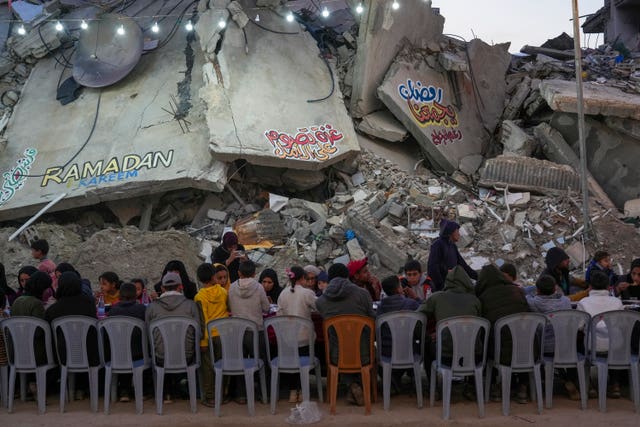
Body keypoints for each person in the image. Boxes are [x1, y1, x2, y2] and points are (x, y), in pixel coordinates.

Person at [315, 263, 375, 407]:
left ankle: (351, 385)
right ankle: (360, 385)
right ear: (347, 276)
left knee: (340, 343)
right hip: (364, 353)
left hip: (337, 355)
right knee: (364, 345)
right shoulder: (363, 294)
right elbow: (372, 319)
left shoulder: (321, 301)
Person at [417, 266, 481, 399]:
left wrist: (434, 334)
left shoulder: (436, 298)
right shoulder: (475, 300)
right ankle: (472, 387)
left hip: (445, 356)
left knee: (427, 344)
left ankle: (433, 388)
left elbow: (418, 318)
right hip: (473, 357)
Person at [476, 264, 530, 403]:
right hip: (529, 351)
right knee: (520, 338)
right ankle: (523, 387)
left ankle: (495, 386)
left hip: (500, 354)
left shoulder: (483, 297)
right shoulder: (518, 291)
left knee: (487, 340)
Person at [146, 272, 201, 403]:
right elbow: (199, 333)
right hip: (186, 357)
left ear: (163, 288)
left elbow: (148, 334)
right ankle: (185, 388)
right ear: (180, 287)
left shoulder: (152, 307)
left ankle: (167, 393)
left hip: (161, 357)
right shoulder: (191, 305)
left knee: (161, 348)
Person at [45, 271, 99, 401]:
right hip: (90, 353)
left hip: (62, 355)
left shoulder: (53, 309)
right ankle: (82, 388)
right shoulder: (89, 303)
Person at [526, 275, 577, 400]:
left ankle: (530, 385)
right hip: (564, 346)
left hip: (543, 349)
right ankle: (570, 380)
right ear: (555, 289)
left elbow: (527, 295)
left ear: (537, 290)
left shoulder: (532, 302)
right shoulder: (565, 301)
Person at [577, 270, 624, 398]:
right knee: (615, 340)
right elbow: (622, 325)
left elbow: (579, 327)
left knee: (578, 341)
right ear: (609, 287)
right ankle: (615, 384)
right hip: (615, 347)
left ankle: (590, 385)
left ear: (590, 287)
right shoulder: (617, 302)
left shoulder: (583, 303)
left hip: (592, 348)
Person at [227, 260, 269, 403]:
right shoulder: (259, 287)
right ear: (254, 274)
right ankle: (265, 393)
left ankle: (241, 395)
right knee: (262, 360)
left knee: (241, 362)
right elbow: (266, 308)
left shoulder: (232, 287)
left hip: (238, 331)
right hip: (256, 330)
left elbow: (229, 306)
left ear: (239, 273)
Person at [276, 266, 318, 403]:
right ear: (302, 278)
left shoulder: (283, 294)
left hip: (288, 339)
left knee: (293, 363)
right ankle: (304, 390)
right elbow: (318, 307)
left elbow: (279, 315)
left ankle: (293, 391)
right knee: (304, 361)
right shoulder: (307, 293)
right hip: (305, 339)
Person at [11, 271, 52, 395]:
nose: (48, 291)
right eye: (47, 288)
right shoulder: (36, 304)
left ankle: (29, 385)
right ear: (41, 288)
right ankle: (37, 385)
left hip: (17, 352)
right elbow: (39, 332)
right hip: (35, 354)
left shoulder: (17, 301)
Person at [377, 275, 421, 394]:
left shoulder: (381, 307)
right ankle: (413, 378)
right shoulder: (411, 304)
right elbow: (424, 310)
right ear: (398, 289)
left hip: (387, 352)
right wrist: (415, 297)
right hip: (409, 350)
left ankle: (392, 380)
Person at [194, 263, 229, 407]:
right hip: (223, 334)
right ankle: (222, 394)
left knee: (208, 368)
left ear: (201, 280)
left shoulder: (199, 297)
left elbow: (203, 321)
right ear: (214, 277)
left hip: (208, 336)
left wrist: (203, 342)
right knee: (222, 365)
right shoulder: (223, 292)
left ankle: (210, 396)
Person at [107, 282, 147, 402]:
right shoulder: (141, 309)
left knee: (123, 349)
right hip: (138, 355)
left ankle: (124, 391)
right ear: (135, 296)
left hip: (117, 354)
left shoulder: (113, 311)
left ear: (120, 295)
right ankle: (143, 390)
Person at [427, 220, 478, 292]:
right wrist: (441, 287)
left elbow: (463, 265)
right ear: (451, 232)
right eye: (457, 231)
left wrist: (477, 277)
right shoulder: (438, 245)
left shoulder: (452, 246)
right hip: (442, 289)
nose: (459, 234)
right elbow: (433, 268)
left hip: (451, 286)